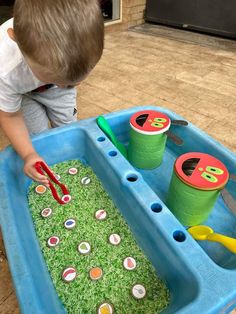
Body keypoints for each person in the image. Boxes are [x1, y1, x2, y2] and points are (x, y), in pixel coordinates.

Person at [0, 0, 104, 186]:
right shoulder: (5, 69)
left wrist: (66, 83)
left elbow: (65, 83)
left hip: (50, 90)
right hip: (22, 94)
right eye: (57, 79)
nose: (73, 85)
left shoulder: (80, 47)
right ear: (16, 41)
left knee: (67, 127)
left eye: (76, 81)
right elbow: (10, 116)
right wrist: (29, 154)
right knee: (38, 138)